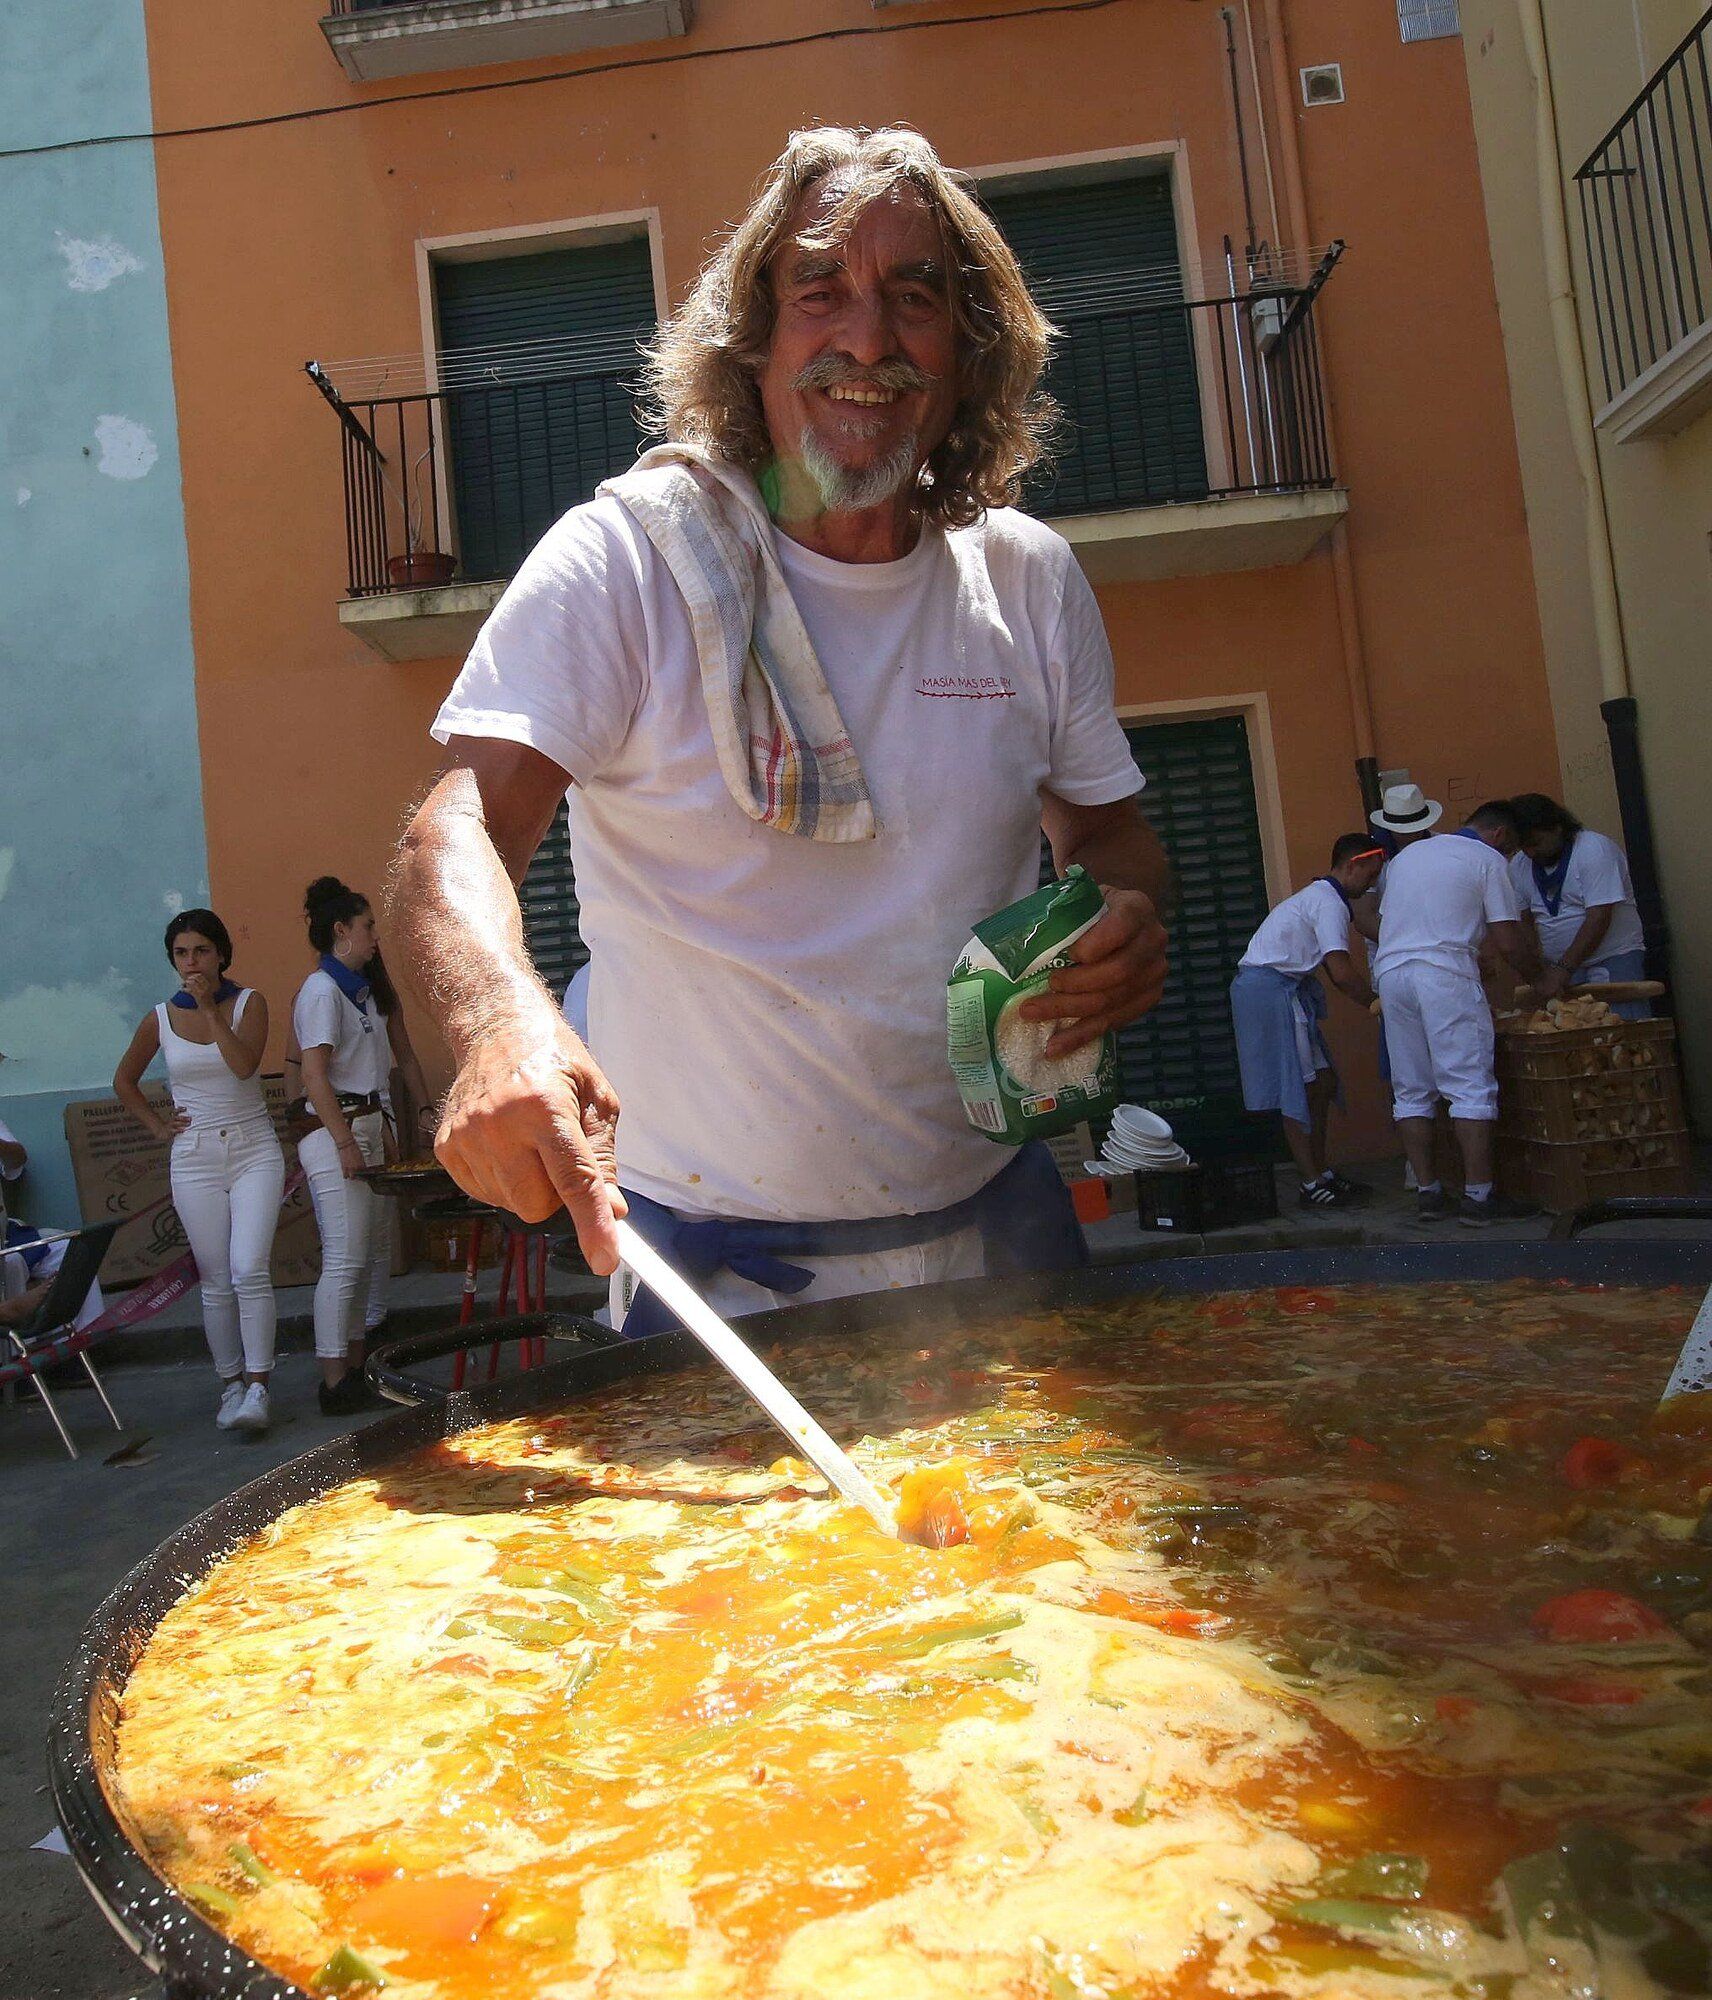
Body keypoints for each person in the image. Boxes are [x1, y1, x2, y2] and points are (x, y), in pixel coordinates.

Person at [389, 125, 1171, 1330]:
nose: (866, 338)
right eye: (821, 292)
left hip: (1001, 1239)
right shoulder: (628, 562)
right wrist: (494, 1022)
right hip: (715, 1280)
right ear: (752, 343)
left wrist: (1122, 920)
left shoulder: (1024, 581)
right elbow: (453, 832)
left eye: (914, 299)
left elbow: (1113, 839)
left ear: (969, 356)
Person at [113, 909, 284, 1428]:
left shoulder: (248, 1003)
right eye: (182, 953)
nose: (192, 962)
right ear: (173, 960)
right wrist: (158, 1127)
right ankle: (229, 1384)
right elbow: (124, 1080)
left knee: (248, 1267)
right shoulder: (159, 1017)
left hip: (254, 1147)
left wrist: (211, 1009)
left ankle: (259, 1387)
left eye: (202, 951)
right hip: (194, 1157)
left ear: (221, 954)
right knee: (215, 1279)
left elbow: (242, 1065)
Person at [1368, 790, 1535, 1226]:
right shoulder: (1487, 859)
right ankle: (1479, 1197)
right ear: (1499, 835)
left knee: (1411, 1090)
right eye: (1513, 846)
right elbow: (1508, 938)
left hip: (1393, 973)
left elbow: (1402, 922)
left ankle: (1428, 1192)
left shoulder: (1403, 861)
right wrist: (1542, 976)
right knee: (1469, 1085)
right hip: (1443, 974)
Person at [1230, 833, 1384, 1209]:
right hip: (1270, 992)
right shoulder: (1328, 902)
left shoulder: (1324, 898)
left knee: (1322, 1082)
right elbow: (1341, 972)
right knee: (1297, 1087)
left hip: (1283, 989)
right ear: (1353, 865)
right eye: (1370, 874)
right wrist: (1376, 1003)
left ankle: (1320, 1170)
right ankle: (1311, 1181)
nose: (1372, 883)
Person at [291, 877, 391, 1412]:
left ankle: (355, 1366)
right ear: (340, 931)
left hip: (365, 1126)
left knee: (367, 1253)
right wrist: (344, 1142)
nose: (376, 936)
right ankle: (334, 1378)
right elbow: (314, 1076)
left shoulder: (355, 991)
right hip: (339, 1132)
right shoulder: (321, 992)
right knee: (345, 1258)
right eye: (367, 926)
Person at [1507, 792, 1650, 1019]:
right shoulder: (1520, 865)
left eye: (1535, 843)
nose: (1530, 853)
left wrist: (1563, 970)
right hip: (1561, 968)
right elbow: (1524, 922)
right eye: (1524, 846)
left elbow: (1599, 917)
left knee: (1622, 1033)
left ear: (1557, 828)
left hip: (1612, 957)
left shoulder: (1594, 849)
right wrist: (1537, 972)